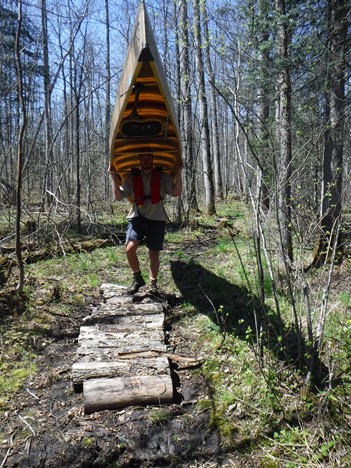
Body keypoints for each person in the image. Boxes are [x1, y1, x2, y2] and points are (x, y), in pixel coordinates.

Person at [109, 153, 183, 294]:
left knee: (153, 252)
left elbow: (176, 192)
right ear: (139, 159)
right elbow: (118, 197)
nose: (146, 160)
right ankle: (137, 278)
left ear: (153, 159)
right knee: (129, 249)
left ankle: (153, 283)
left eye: (149, 157)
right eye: (143, 157)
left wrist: (179, 172)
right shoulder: (132, 177)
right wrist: (113, 175)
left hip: (157, 218)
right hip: (137, 217)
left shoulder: (163, 176)